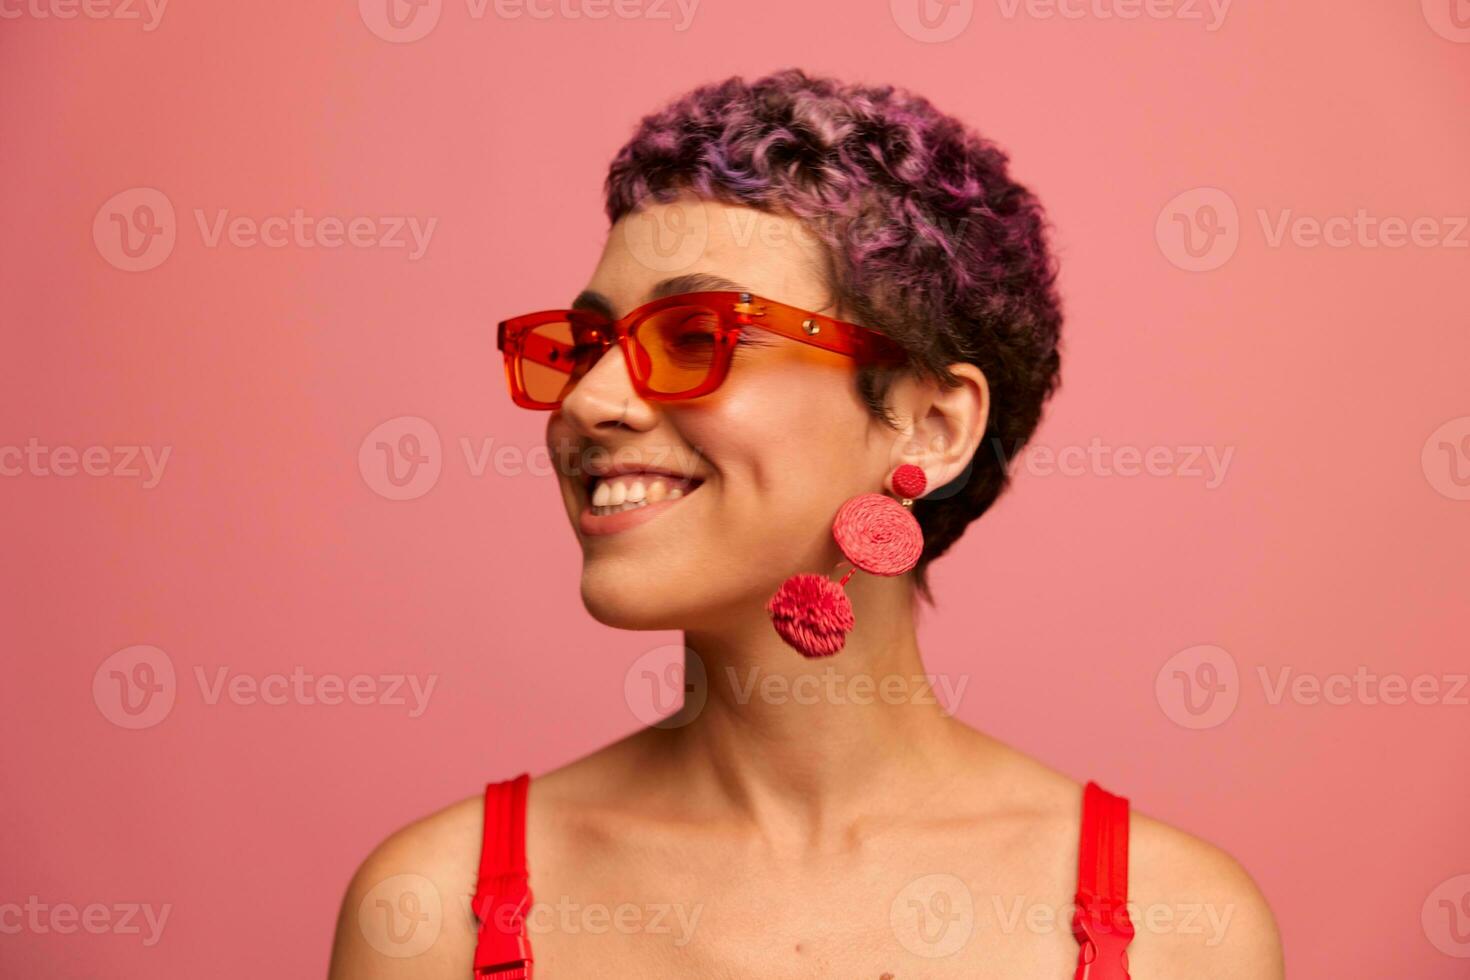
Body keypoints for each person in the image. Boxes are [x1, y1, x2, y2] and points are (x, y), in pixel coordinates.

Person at [329, 68, 1283, 979]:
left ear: (931, 423)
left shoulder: (1172, 926)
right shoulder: (434, 910)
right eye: (586, 347)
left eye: (698, 336)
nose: (587, 402)